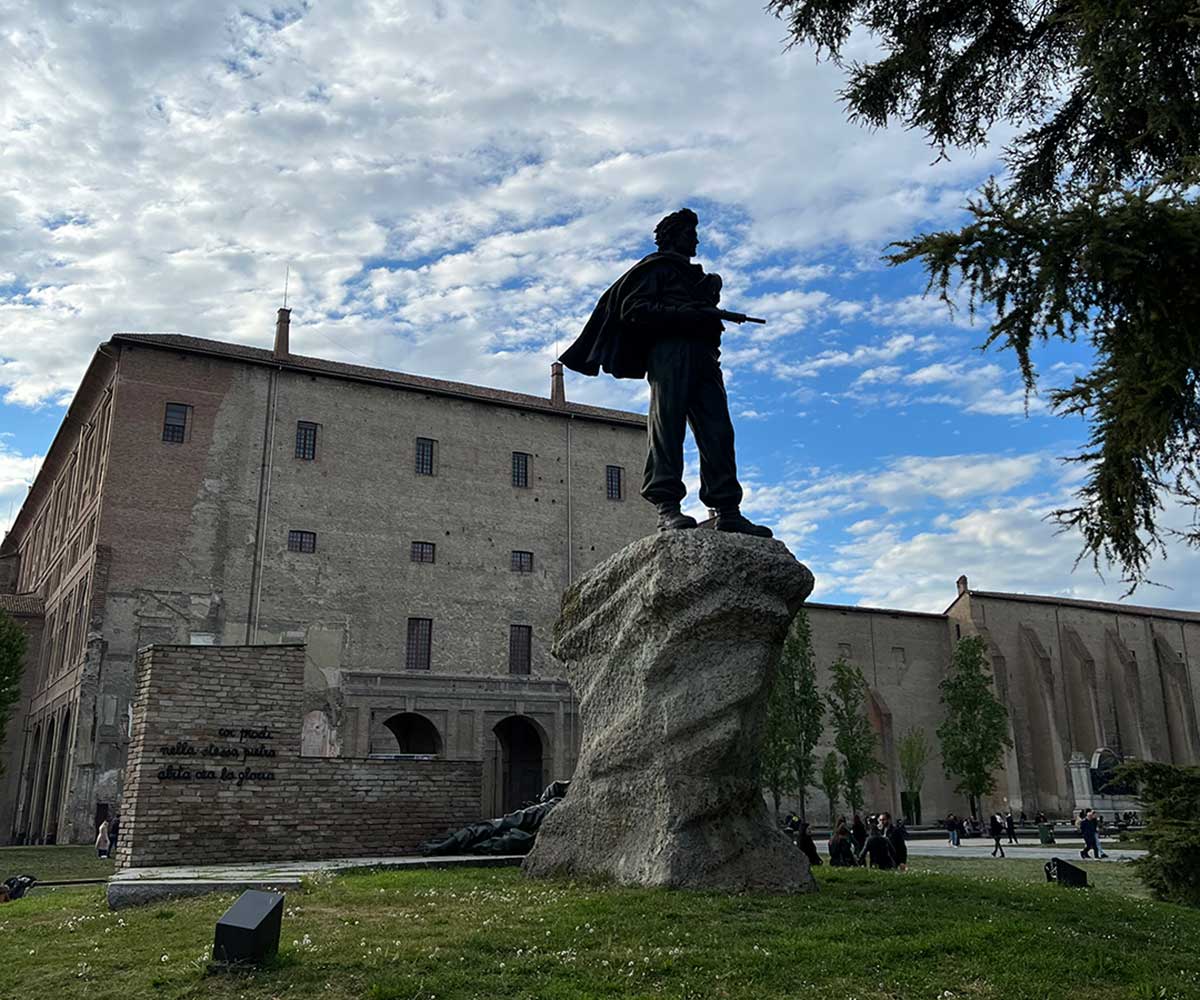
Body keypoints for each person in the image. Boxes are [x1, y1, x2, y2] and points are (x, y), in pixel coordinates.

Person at [561, 208, 771, 536]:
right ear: (673, 236)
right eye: (690, 234)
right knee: (668, 428)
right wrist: (687, 314)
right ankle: (667, 507)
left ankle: (727, 509)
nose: (696, 240)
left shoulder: (696, 276)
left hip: (703, 357)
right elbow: (635, 311)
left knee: (718, 431)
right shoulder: (656, 269)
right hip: (670, 354)